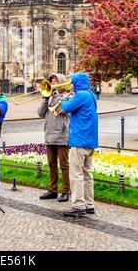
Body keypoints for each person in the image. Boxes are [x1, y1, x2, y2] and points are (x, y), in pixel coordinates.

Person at [60, 72, 98, 217]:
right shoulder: (91, 94)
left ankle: (78, 205)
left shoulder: (81, 95)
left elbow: (65, 108)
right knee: (88, 174)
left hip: (80, 139)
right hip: (90, 140)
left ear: (77, 83)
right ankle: (89, 204)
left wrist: (64, 99)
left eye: (73, 83)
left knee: (76, 174)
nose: (72, 86)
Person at [38, 74, 70, 202]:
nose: (53, 83)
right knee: (51, 164)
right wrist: (45, 99)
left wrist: (55, 94)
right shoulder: (49, 96)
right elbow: (40, 113)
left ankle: (66, 191)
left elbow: (63, 109)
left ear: (61, 82)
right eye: (51, 81)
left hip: (62, 136)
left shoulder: (67, 96)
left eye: (55, 81)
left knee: (64, 165)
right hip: (49, 135)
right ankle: (53, 190)